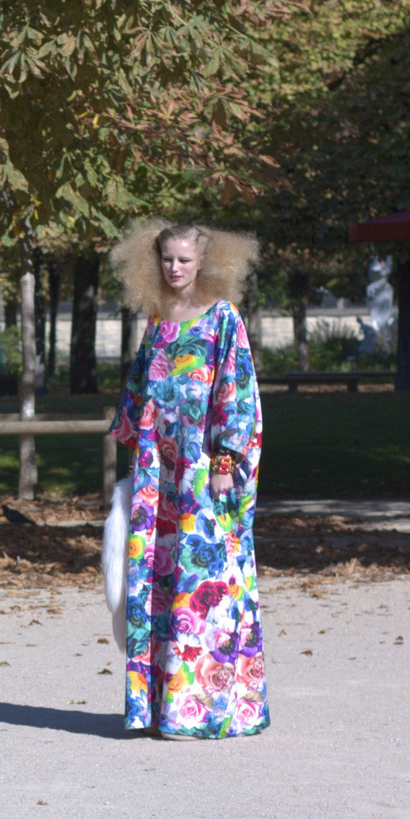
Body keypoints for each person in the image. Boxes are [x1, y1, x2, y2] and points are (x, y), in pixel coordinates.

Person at [106, 220, 268, 739]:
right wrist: (135, 470)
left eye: (184, 259)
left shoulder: (224, 319)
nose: (174, 268)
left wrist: (224, 464)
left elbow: (238, 393)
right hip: (159, 478)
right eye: (166, 259)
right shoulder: (157, 321)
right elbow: (138, 398)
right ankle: (157, 708)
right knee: (157, 585)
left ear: (206, 262)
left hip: (203, 473)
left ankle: (204, 709)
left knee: (206, 587)